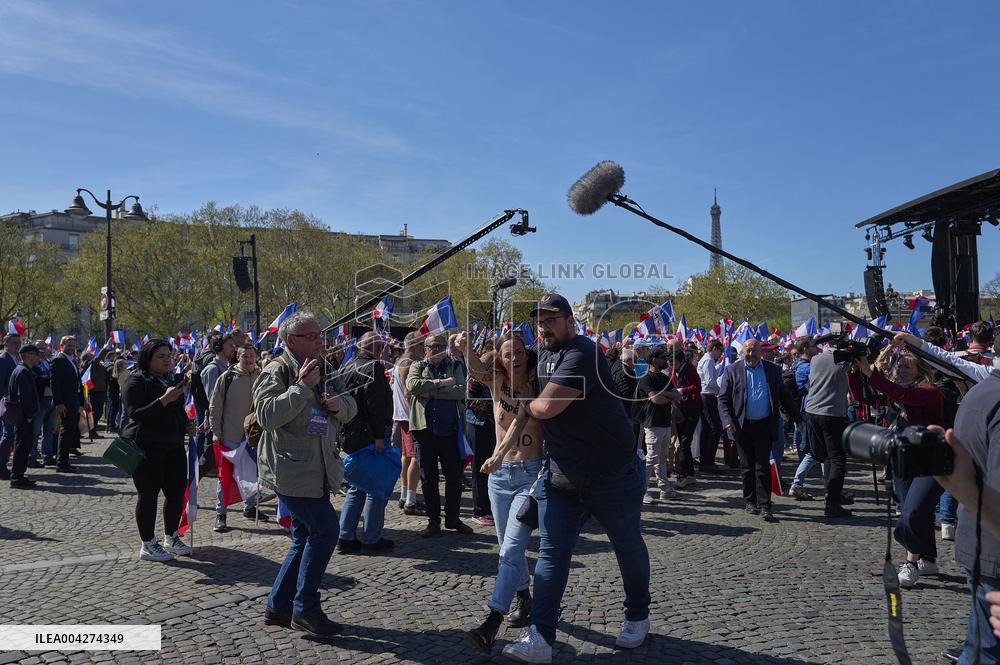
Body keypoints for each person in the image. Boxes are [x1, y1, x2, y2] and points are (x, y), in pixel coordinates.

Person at [502, 293, 650, 663]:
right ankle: (540, 637)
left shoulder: (583, 351)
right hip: (563, 474)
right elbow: (498, 365)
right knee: (551, 555)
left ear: (571, 320)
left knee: (627, 545)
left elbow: (547, 407)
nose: (544, 326)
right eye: (540, 321)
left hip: (612, 473)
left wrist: (530, 403)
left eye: (552, 319)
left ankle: (637, 615)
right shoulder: (544, 354)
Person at [255, 311, 357, 638]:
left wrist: (339, 405)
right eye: (312, 336)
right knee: (326, 530)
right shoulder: (277, 370)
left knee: (304, 536)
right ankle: (306, 609)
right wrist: (301, 389)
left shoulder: (326, 369)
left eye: (320, 335)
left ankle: (279, 605)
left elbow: (352, 409)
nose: (320, 341)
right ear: (291, 340)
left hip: (321, 468)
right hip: (291, 470)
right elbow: (267, 416)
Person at [463, 331, 545, 653]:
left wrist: (497, 454)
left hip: (529, 474)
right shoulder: (497, 383)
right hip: (498, 479)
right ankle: (524, 597)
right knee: (507, 548)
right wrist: (465, 345)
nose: (515, 358)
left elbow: (518, 425)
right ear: (500, 358)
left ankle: (492, 621)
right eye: (508, 353)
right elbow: (472, 370)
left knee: (510, 549)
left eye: (520, 352)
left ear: (527, 354)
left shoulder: (536, 385)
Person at [928, 338, 1000, 664]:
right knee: (986, 652)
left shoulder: (977, 393)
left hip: (976, 536)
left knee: (978, 645)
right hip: (993, 543)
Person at [850, 347, 945, 588]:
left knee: (913, 510)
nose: (900, 370)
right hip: (902, 457)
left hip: (929, 459)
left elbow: (903, 397)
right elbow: (866, 399)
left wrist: (870, 372)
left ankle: (910, 564)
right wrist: (853, 373)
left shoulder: (929, 392)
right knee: (910, 507)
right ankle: (928, 558)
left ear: (920, 370)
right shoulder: (898, 391)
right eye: (898, 365)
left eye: (906, 366)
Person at [122, 340, 196, 562]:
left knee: (175, 492)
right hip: (147, 447)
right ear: (148, 359)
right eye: (160, 356)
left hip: (173, 444)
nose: (167, 359)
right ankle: (147, 543)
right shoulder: (136, 380)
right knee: (149, 495)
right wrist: (165, 399)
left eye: (169, 355)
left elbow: (178, 410)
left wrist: (186, 424)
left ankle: (171, 536)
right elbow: (136, 414)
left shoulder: (173, 380)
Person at [717, 339, 800, 522]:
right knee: (747, 467)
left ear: (760, 353)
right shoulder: (733, 370)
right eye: (748, 351)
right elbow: (723, 399)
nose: (751, 355)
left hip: (764, 424)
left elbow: (785, 397)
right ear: (743, 352)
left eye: (754, 351)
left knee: (763, 466)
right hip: (742, 425)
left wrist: (798, 418)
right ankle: (750, 501)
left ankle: (765, 505)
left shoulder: (772, 370)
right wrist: (727, 421)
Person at [405, 332, 472, 538]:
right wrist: (442, 384)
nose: (437, 349)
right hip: (424, 432)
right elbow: (413, 385)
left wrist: (430, 392)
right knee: (429, 479)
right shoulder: (418, 366)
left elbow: (460, 391)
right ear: (425, 349)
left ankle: (453, 518)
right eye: (432, 346)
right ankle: (433, 520)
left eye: (441, 345)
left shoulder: (456, 365)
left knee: (454, 478)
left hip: (450, 431)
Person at [337, 332, 395, 555]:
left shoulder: (347, 366)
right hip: (368, 435)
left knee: (357, 486)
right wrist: (380, 435)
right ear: (377, 348)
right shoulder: (373, 368)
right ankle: (371, 538)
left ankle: (346, 536)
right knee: (374, 487)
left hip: (350, 434)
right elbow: (378, 405)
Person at [208, 344, 266, 532]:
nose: (249, 359)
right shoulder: (227, 378)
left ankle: (249, 507)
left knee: (252, 474)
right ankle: (221, 514)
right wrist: (215, 431)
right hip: (231, 435)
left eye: (251, 356)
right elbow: (215, 407)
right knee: (225, 477)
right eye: (244, 356)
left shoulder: (263, 377)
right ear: (238, 358)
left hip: (255, 437)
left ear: (256, 357)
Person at [804, 338, 853, 517]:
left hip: (812, 411)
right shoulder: (842, 360)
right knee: (838, 459)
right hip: (831, 413)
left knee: (827, 457)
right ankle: (832, 503)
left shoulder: (816, 359)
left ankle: (831, 494)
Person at [639, 344, 682, 504]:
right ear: (654, 360)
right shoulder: (645, 378)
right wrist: (666, 396)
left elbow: (677, 396)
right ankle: (642, 490)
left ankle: (664, 488)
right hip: (652, 423)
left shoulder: (664, 378)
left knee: (662, 458)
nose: (666, 360)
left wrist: (663, 394)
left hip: (665, 422)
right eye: (663, 358)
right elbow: (655, 400)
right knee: (651, 458)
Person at [392, 332, 425, 515]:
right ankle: (410, 501)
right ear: (413, 345)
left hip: (404, 416)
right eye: (422, 345)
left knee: (407, 456)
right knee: (415, 458)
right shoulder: (408, 364)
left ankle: (405, 496)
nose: (424, 349)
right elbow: (408, 393)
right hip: (411, 417)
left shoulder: (400, 361)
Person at [787, 336, 824, 500]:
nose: (817, 349)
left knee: (821, 451)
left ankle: (830, 486)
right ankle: (798, 484)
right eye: (813, 346)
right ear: (805, 350)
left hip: (813, 410)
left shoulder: (806, 365)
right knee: (815, 451)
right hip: (811, 411)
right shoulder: (805, 367)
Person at [6, 344, 42, 488]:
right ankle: (17, 478)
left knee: (23, 446)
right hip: (24, 416)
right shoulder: (23, 372)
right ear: (28, 355)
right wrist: (28, 415)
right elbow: (24, 397)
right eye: (35, 353)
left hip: (22, 415)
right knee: (22, 446)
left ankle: (19, 475)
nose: (38, 356)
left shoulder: (23, 370)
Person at [666, 348, 702, 488]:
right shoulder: (673, 370)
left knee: (685, 443)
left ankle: (684, 475)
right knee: (682, 442)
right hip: (680, 408)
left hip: (692, 409)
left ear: (680, 360)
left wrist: (682, 390)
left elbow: (697, 386)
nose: (669, 363)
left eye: (672, 360)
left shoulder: (689, 369)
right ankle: (689, 474)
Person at [51, 336, 83, 473]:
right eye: (68, 345)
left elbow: (77, 382)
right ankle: (61, 463)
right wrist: (59, 402)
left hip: (74, 400)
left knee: (70, 432)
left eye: (73, 345)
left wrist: (81, 400)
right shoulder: (59, 360)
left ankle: (65, 461)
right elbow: (55, 383)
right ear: (62, 345)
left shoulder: (72, 360)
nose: (71, 348)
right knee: (65, 432)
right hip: (65, 402)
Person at [696, 339, 725, 471]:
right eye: (720, 351)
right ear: (714, 348)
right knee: (715, 428)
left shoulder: (707, 360)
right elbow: (710, 382)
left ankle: (705, 461)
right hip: (707, 396)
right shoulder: (708, 361)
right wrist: (720, 388)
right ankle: (708, 461)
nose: (720, 354)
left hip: (707, 396)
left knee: (707, 429)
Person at [31, 340, 56, 467]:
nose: (41, 350)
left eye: (43, 347)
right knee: (35, 431)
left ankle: (48, 456)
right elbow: (39, 379)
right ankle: (32, 457)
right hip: (40, 400)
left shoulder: (48, 362)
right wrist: (51, 380)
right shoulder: (33, 364)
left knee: (49, 430)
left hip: (51, 399)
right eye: (38, 347)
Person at [0, 331, 22, 479]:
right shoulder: (3, 359)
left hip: (14, 404)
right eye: (14, 343)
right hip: (7, 404)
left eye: (19, 343)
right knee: (6, 435)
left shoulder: (14, 358)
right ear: (6, 344)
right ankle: (1, 467)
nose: (17, 345)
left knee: (10, 436)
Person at [85, 348, 110, 437]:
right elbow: (98, 358)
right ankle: (92, 431)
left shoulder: (99, 365)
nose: (93, 356)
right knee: (95, 412)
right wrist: (106, 347)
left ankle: (93, 430)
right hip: (94, 391)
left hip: (101, 390)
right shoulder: (89, 364)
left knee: (99, 412)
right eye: (91, 355)